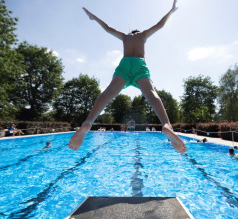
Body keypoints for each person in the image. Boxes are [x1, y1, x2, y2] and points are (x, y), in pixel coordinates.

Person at [68, 0, 186, 153]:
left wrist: (94, 17)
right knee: (152, 94)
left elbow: (107, 28)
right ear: (139, 33)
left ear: (131, 33)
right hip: (139, 65)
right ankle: (166, 125)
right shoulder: (143, 36)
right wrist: (171, 11)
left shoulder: (125, 37)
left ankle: (88, 122)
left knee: (107, 93)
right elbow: (160, 25)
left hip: (124, 65)